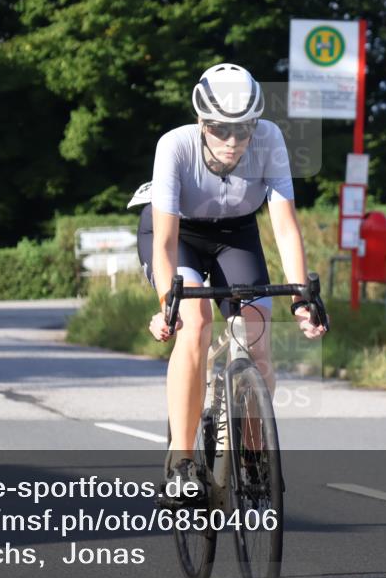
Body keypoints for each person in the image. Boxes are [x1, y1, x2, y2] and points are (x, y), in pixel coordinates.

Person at [131, 63, 326, 503]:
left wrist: (301, 299)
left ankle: (253, 452)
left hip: (235, 234)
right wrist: (168, 303)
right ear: (202, 122)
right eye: (222, 130)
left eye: (244, 130)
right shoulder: (174, 146)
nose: (235, 142)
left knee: (257, 335)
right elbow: (163, 242)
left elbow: (285, 227)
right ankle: (181, 462)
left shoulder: (270, 139)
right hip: (179, 235)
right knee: (195, 322)